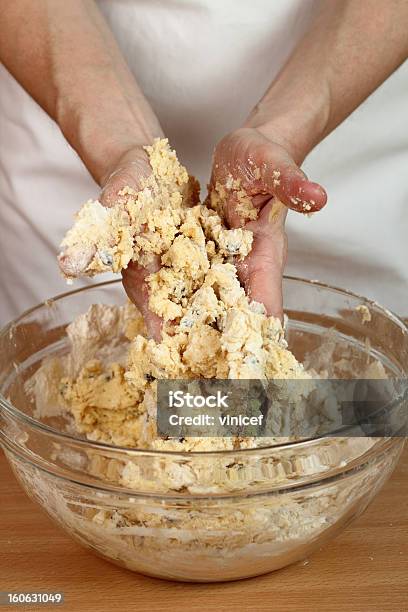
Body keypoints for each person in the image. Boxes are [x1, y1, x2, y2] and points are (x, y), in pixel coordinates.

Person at [0, 0, 407, 329]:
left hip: (355, 171)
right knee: (65, 391)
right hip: (74, 134)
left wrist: (282, 131)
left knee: (363, 408)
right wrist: (121, 145)